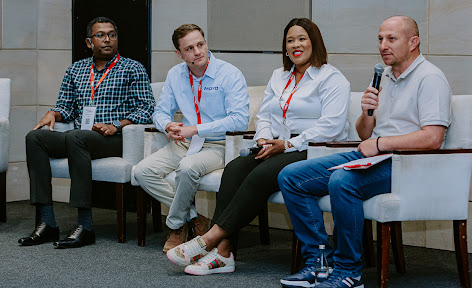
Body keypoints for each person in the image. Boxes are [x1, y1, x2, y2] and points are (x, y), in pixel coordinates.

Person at [166, 18, 351, 276]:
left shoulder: (331, 78)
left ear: (314, 42)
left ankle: (211, 241)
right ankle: (224, 254)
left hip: (315, 148)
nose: (296, 45)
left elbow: (331, 126)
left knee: (262, 174)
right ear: (284, 47)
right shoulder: (280, 76)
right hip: (277, 145)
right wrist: (263, 138)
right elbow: (264, 116)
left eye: (302, 39)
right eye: (290, 40)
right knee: (234, 169)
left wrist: (287, 143)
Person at [278, 15, 452, 288]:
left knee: (342, 180)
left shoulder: (430, 78)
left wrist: (382, 144)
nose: (383, 45)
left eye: (391, 39)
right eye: (380, 39)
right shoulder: (386, 77)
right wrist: (366, 113)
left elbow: (433, 138)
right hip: (373, 155)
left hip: (408, 164)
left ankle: (349, 271)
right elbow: (363, 134)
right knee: (291, 176)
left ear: (414, 42)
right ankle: (318, 261)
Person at [18, 17, 155, 249]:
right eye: (100, 35)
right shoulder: (76, 70)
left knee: (76, 137)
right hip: (80, 137)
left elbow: (147, 108)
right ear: (89, 42)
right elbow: (66, 106)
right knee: (36, 137)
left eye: (112, 34)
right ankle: (47, 222)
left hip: (114, 139)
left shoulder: (132, 68)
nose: (108, 39)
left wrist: (116, 125)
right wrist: (54, 114)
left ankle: (85, 225)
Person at [133, 24, 250, 253]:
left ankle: (176, 226)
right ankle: (195, 218)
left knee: (187, 167)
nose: (197, 51)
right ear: (179, 54)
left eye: (200, 44)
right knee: (141, 171)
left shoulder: (229, 74)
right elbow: (160, 111)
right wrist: (166, 124)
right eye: (189, 48)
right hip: (184, 141)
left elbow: (239, 121)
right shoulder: (176, 75)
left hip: (219, 144)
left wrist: (195, 129)